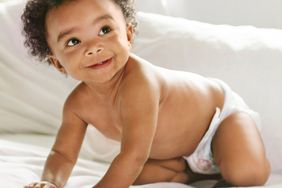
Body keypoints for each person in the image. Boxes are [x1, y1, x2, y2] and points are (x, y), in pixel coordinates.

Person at [22, 0, 270, 187]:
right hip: (181, 153)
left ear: (128, 35)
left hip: (220, 120)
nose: (93, 47)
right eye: (74, 42)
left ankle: (224, 164)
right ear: (57, 63)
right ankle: (192, 172)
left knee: (247, 173)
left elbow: (134, 154)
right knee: (135, 175)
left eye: (105, 30)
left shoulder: (140, 81)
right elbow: (62, 154)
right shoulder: (77, 105)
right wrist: (50, 183)